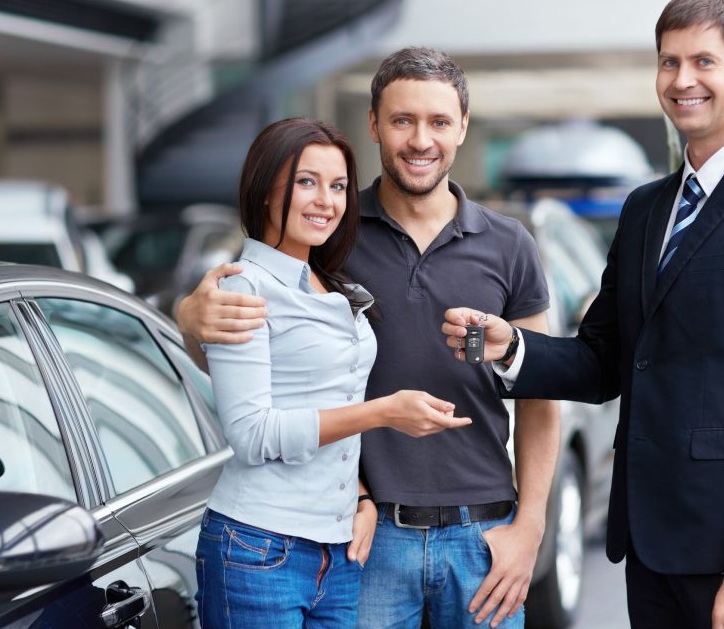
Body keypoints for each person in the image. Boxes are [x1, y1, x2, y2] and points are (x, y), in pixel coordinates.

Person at [443, 0, 724, 629]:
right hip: (650, 549)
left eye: (703, 61)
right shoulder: (645, 209)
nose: (682, 80)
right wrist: (511, 348)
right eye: (669, 62)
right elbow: (606, 359)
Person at [179, 49, 559, 628]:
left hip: (483, 535)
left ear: (462, 126)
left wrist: (529, 528)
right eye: (403, 120)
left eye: (437, 122)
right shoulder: (329, 234)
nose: (420, 140)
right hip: (367, 537)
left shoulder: (510, 245)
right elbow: (255, 365)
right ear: (375, 126)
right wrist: (188, 316)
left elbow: (541, 394)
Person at [192, 117, 472, 629]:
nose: (326, 200)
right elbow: (253, 434)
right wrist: (384, 413)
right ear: (264, 191)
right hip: (258, 547)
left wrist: (362, 497)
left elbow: (332, 392)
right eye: (306, 182)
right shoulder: (244, 289)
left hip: (339, 550)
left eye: (339, 186)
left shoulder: (329, 282)